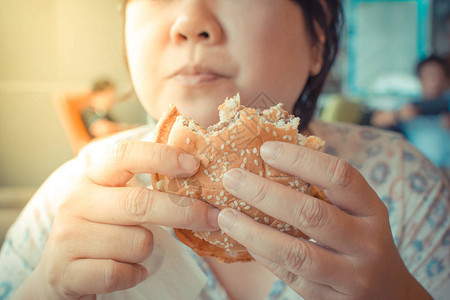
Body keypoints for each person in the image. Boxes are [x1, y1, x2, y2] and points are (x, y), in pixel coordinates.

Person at [0, 1, 448, 299]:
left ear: (318, 38)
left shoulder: (406, 187)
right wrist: (44, 289)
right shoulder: (70, 200)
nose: (190, 22)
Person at [370, 55, 450, 171]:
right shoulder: (409, 105)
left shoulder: (447, 102)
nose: (435, 81)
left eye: (439, 75)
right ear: (420, 79)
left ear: (446, 78)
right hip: (420, 169)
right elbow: (377, 120)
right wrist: (399, 115)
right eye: (429, 76)